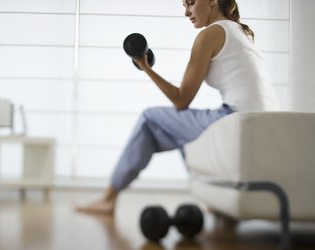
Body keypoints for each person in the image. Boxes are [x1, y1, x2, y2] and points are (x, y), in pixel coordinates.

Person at [76, 0, 280, 215]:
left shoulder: (210, 34)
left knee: (149, 118)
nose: (186, 12)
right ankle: (214, 198)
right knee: (162, 131)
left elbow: (181, 100)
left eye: (190, 3)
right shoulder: (240, 31)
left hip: (237, 121)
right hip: (263, 123)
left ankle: (109, 198)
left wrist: (145, 67)